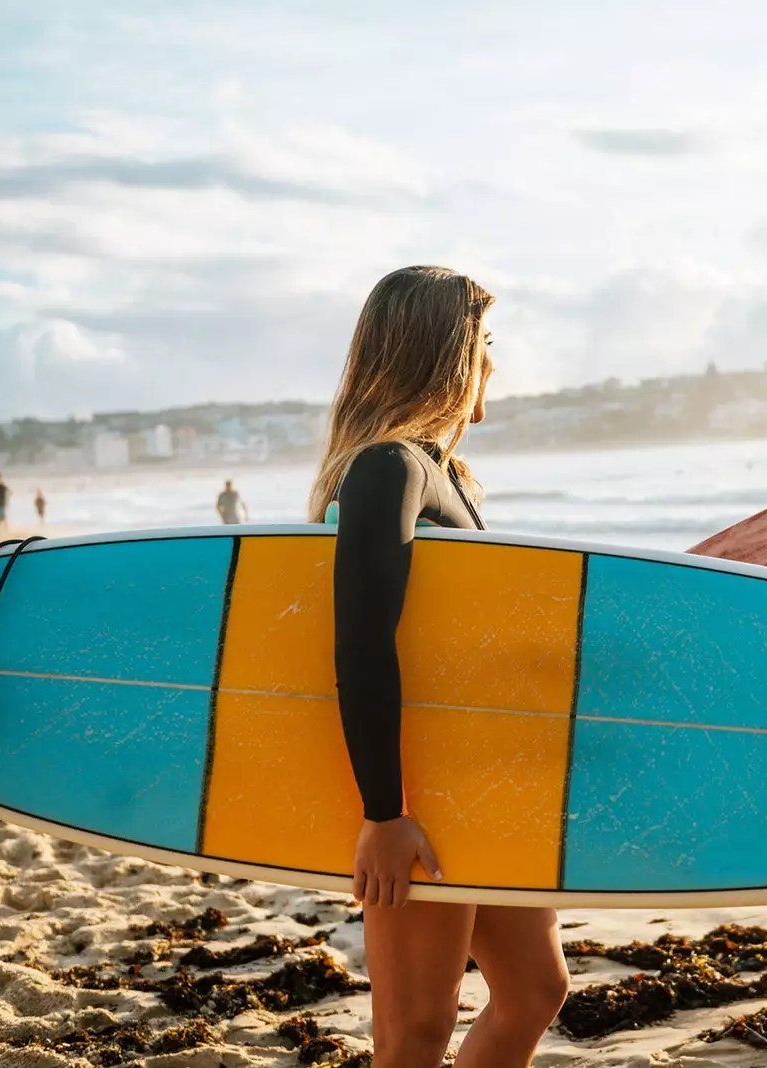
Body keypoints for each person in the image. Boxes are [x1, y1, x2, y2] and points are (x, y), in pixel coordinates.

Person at [307, 265, 566, 1068]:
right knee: (414, 1036)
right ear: (447, 354)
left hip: (475, 779)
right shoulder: (389, 468)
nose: (494, 362)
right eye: (485, 345)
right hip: (421, 791)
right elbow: (360, 642)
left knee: (533, 990)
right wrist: (385, 813)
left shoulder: (446, 473)